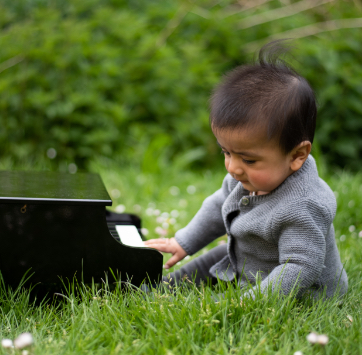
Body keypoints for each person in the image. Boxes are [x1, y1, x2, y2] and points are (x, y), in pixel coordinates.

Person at [144, 40, 348, 299]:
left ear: (297, 156)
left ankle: (244, 293)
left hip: (301, 293)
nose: (233, 168)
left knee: (255, 274)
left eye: (248, 160)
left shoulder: (304, 205)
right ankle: (162, 288)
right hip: (252, 263)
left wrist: (249, 303)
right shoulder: (246, 179)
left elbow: (299, 269)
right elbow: (219, 205)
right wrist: (184, 242)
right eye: (226, 152)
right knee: (220, 256)